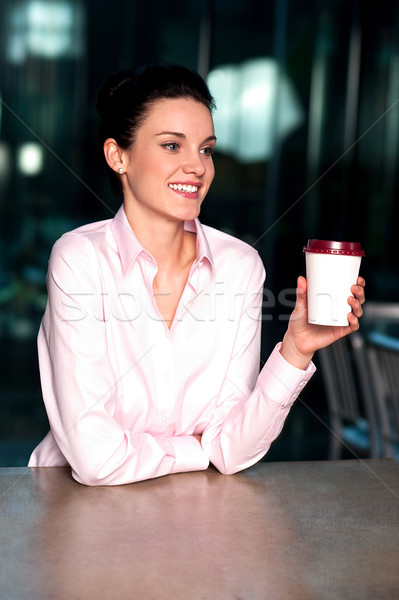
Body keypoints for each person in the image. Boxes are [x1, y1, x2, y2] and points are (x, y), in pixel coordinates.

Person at [28, 62, 366, 485]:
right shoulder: (79, 260)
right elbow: (96, 459)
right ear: (119, 156)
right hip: (73, 509)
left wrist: (295, 351)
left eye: (205, 149)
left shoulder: (240, 266)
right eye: (173, 146)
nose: (197, 167)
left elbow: (232, 449)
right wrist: (196, 448)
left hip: (194, 519)